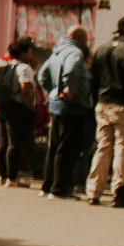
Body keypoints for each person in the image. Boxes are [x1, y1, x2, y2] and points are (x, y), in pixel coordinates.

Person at [85, 16, 124, 209]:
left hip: (103, 104)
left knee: (103, 146)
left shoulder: (102, 49)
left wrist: (95, 102)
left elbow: (93, 80)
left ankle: (93, 190)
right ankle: (119, 191)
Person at [36, 25, 92, 199]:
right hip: (73, 105)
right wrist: (68, 89)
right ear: (81, 40)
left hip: (56, 104)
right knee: (68, 148)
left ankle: (48, 185)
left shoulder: (57, 52)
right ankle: (60, 189)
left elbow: (42, 75)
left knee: (54, 146)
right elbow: (71, 70)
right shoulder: (75, 53)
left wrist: (52, 91)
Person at [0, 36, 38, 187]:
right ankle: (12, 178)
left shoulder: (0, 64)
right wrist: (30, 106)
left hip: (1, 106)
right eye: (30, 51)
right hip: (16, 107)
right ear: (24, 52)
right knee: (14, 143)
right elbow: (25, 89)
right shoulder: (23, 68)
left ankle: (2, 175)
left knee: (3, 142)